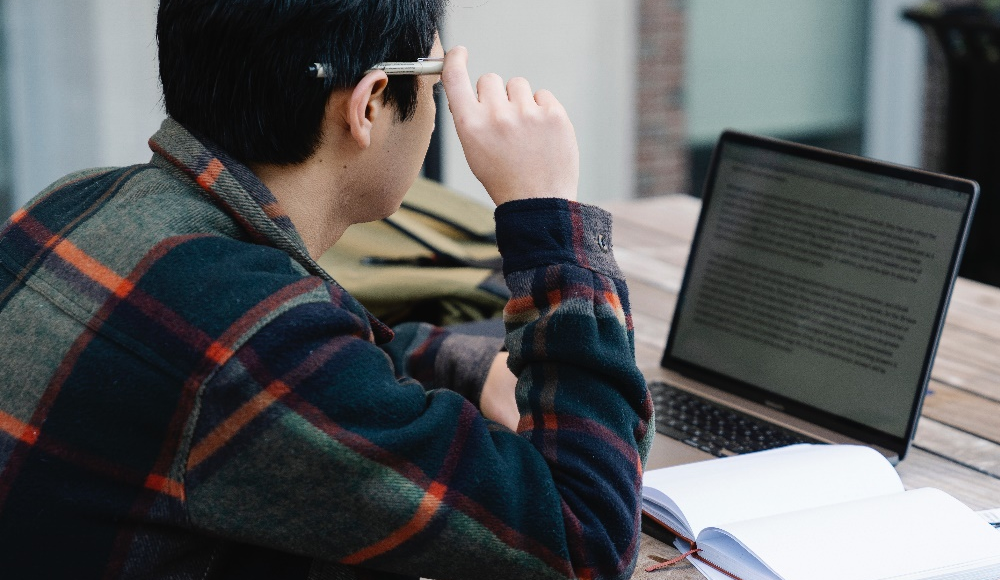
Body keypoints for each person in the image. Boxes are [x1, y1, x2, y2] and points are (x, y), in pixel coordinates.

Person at [0, 1, 652, 578]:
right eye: (434, 81)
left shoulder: (73, 202)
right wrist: (544, 213)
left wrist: (465, 367)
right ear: (368, 104)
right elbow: (584, 540)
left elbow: (298, 369)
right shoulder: (256, 339)